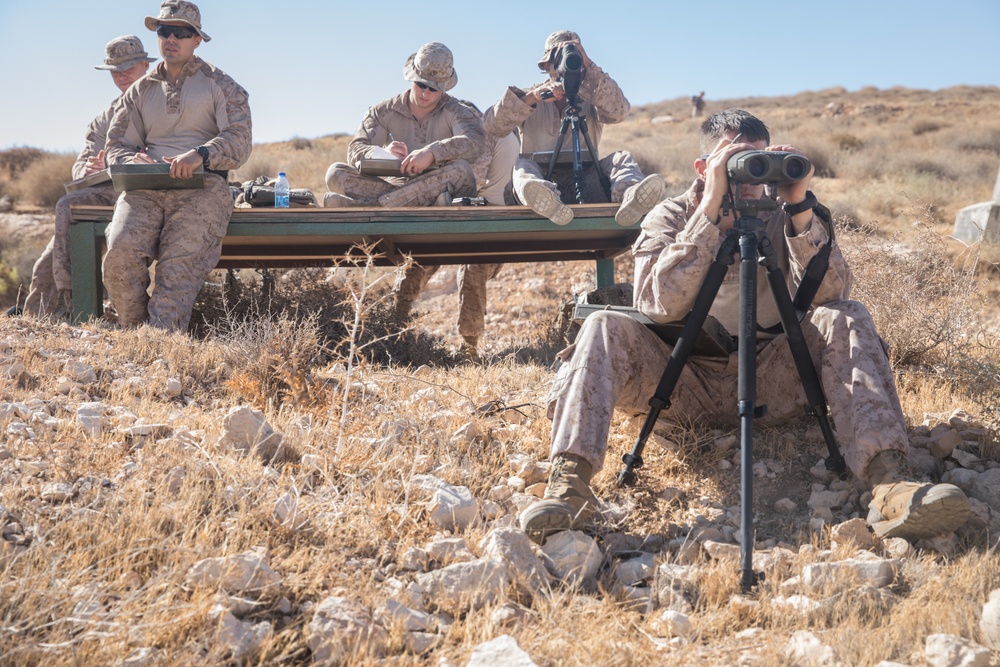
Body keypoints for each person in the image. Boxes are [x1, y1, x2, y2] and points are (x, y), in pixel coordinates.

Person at [520, 109, 971, 545]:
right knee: (602, 324)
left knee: (846, 315)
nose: (749, 176)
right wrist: (709, 219)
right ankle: (570, 488)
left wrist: (798, 208)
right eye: (735, 160)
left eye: (758, 161)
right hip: (683, 379)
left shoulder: (786, 215)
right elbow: (657, 305)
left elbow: (832, 294)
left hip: (773, 375)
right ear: (703, 166)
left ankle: (890, 487)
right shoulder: (670, 217)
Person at [102, 0, 252, 332]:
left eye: (182, 32)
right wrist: (129, 160)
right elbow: (116, 145)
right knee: (119, 256)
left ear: (197, 39)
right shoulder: (140, 90)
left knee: (177, 271)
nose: (171, 38)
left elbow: (240, 139)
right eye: (165, 30)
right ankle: (136, 336)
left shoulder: (220, 84)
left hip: (202, 188)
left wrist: (202, 153)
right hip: (144, 189)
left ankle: (161, 346)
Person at [19, 36, 156, 319]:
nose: (122, 74)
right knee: (45, 266)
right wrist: (89, 170)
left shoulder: (165, 104)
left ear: (145, 65)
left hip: (149, 196)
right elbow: (82, 162)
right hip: (104, 195)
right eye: (114, 70)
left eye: (129, 66)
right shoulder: (104, 118)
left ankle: (76, 307)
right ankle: (40, 325)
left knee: (67, 207)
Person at [483, 30, 664, 227]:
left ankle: (630, 197)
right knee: (523, 168)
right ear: (546, 65)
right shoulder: (533, 96)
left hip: (589, 180)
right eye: (559, 59)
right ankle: (544, 200)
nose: (566, 65)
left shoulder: (594, 94)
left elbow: (620, 112)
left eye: (573, 58)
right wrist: (533, 97)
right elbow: (492, 125)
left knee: (622, 158)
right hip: (543, 182)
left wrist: (590, 68)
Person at [390, 99, 518, 358]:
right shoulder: (442, 144)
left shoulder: (490, 137)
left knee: (473, 266)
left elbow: (472, 182)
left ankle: (469, 348)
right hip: (455, 220)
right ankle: (392, 330)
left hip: (490, 223)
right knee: (420, 259)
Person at [323, 42, 483, 209]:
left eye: (433, 89)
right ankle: (423, 206)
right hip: (396, 187)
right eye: (421, 84)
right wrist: (381, 154)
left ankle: (374, 207)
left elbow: (475, 143)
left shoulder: (457, 111)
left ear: (444, 88)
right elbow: (355, 150)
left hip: (441, 185)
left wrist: (432, 153)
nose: (425, 93)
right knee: (335, 173)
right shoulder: (383, 111)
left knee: (461, 171)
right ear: (412, 77)